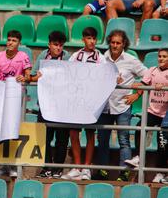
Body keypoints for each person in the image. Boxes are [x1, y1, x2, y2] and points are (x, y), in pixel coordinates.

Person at [95, 30, 147, 182]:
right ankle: (102, 171)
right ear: (109, 42)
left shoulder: (131, 60)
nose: (115, 46)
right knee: (102, 139)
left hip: (123, 105)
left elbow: (148, 76)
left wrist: (136, 95)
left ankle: (124, 173)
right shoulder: (101, 58)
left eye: (118, 43)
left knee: (124, 140)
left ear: (124, 44)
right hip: (104, 106)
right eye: (112, 42)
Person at [62, 27, 106, 181]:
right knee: (74, 134)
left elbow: (106, 75)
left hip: (91, 102)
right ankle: (77, 167)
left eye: (94, 38)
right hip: (76, 100)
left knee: (89, 134)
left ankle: (87, 167)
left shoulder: (100, 57)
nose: (92, 41)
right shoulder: (75, 56)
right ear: (83, 39)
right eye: (89, 38)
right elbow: (66, 72)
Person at [0, 30, 32, 178]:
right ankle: (3, 166)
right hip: (0, 97)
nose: (10, 43)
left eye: (14, 40)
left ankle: (13, 165)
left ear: (19, 43)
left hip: (15, 98)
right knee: (1, 132)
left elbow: (28, 76)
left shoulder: (23, 57)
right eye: (8, 40)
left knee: (13, 130)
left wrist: (23, 77)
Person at [30, 31, 70, 179]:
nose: (58, 48)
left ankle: (58, 168)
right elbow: (32, 76)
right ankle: (46, 167)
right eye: (55, 45)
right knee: (44, 138)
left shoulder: (67, 57)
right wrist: (37, 77)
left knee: (62, 138)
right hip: (45, 106)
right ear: (49, 44)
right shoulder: (42, 56)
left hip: (62, 107)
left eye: (60, 45)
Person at [125, 48, 168, 183]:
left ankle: (160, 172)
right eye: (160, 56)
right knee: (139, 128)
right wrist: (135, 94)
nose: (161, 59)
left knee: (162, 144)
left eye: (164, 56)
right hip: (152, 111)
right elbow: (144, 85)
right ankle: (137, 156)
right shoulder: (152, 70)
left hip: (165, 114)